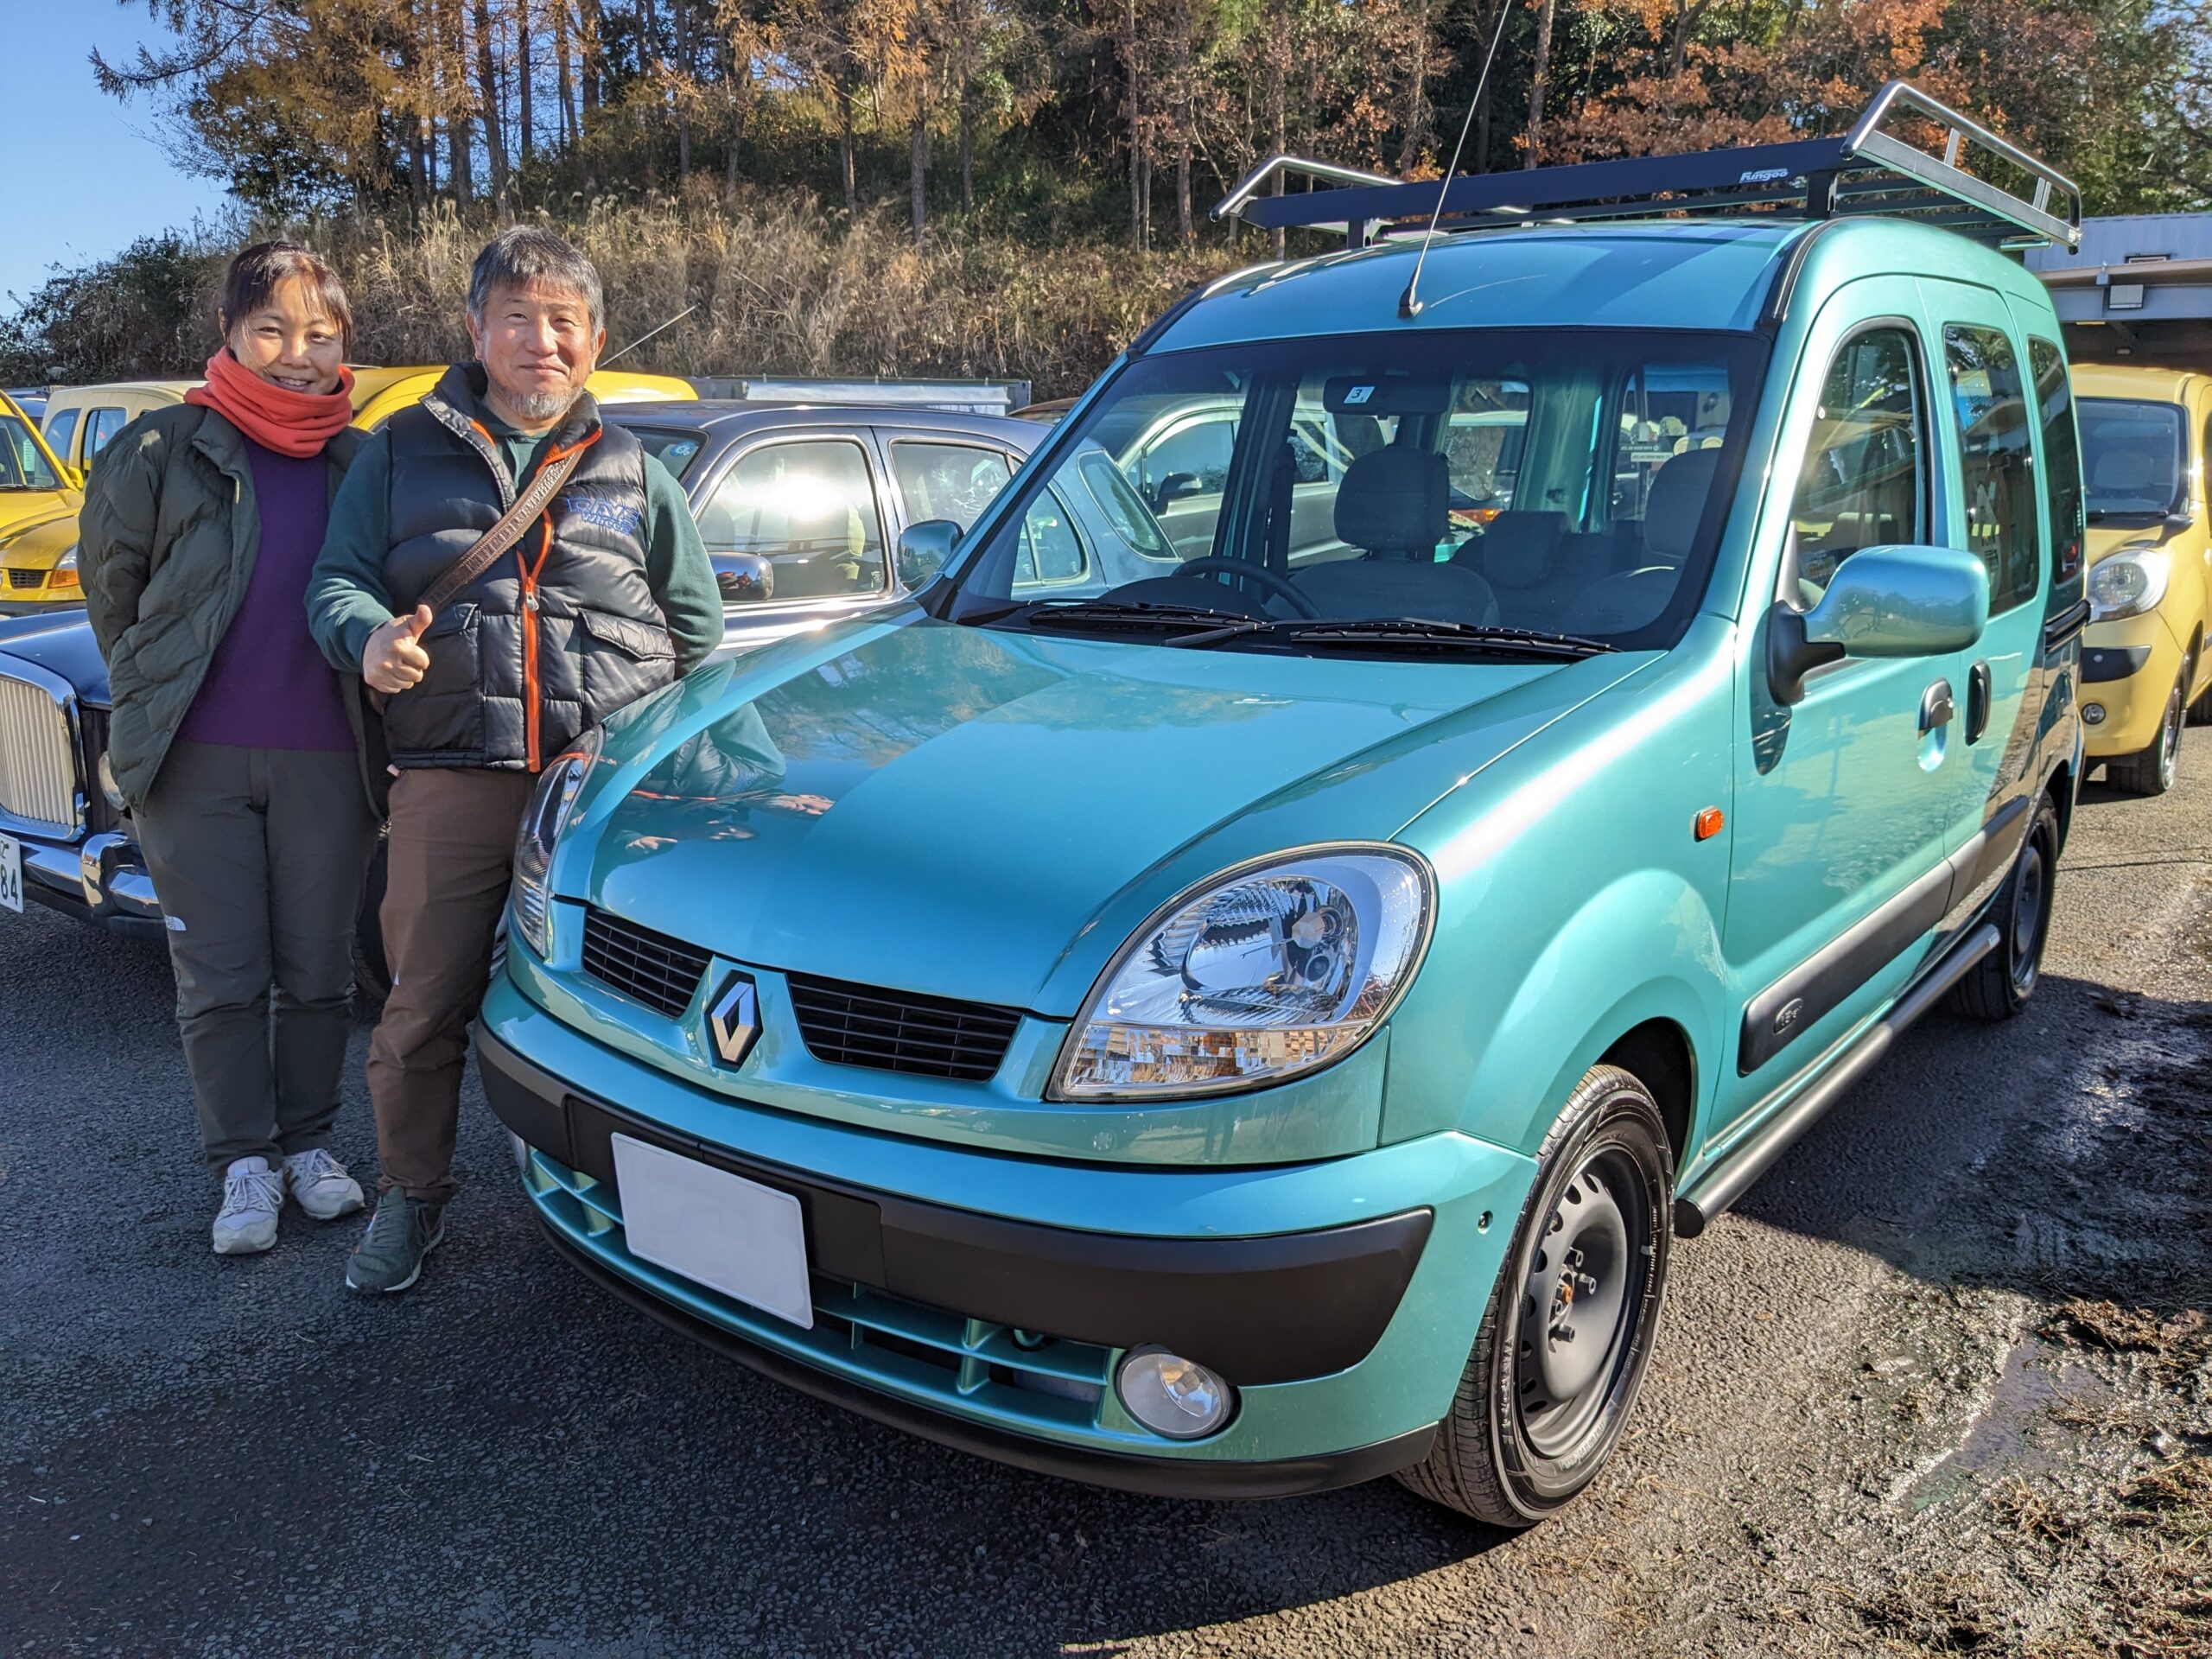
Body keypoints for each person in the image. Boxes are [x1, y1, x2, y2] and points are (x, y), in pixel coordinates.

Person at [307, 226, 721, 1294]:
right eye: (518, 317)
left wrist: (702, 772)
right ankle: (411, 1196)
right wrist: (368, 638)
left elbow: (697, 633)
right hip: (454, 775)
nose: (542, 340)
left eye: (563, 321)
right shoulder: (398, 452)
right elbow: (336, 583)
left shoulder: (634, 470)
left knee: (635, 1013)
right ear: (475, 329)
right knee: (422, 1005)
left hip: (609, 793)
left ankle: (663, 1203)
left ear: (596, 340)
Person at [79, 242, 382, 1255]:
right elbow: (114, 599)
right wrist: (156, 705)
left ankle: (310, 1144)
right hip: (193, 760)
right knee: (220, 976)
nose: (298, 354)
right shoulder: (162, 449)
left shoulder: (362, 464)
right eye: (272, 330)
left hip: (328, 758)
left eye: (320, 334)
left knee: (320, 973)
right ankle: (243, 1160)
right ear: (228, 333)